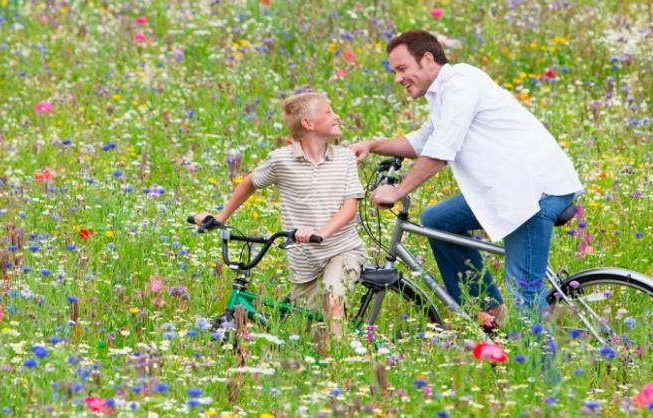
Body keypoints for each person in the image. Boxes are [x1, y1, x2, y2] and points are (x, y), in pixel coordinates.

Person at [350, 30, 583, 327]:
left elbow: (440, 149)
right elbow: (422, 141)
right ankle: (490, 318)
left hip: (533, 193)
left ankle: (538, 371)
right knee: (438, 220)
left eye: (402, 68)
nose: (397, 78)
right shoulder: (443, 93)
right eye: (394, 71)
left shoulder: (462, 82)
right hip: (507, 190)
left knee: (524, 295)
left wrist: (398, 191)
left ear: (427, 59)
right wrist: (371, 145)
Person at [193, 92, 366, 342]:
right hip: (303, 261)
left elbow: (350, 208)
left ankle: (342, 363)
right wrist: (221, 216)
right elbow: (250, 182)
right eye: (328, 112)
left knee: (332, 298)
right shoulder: (281, 160)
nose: (336, 116)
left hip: (341, 249)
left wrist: (323, 233)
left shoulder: (344, 158)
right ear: (308, 123)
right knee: (313, 333)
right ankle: (331, 358)